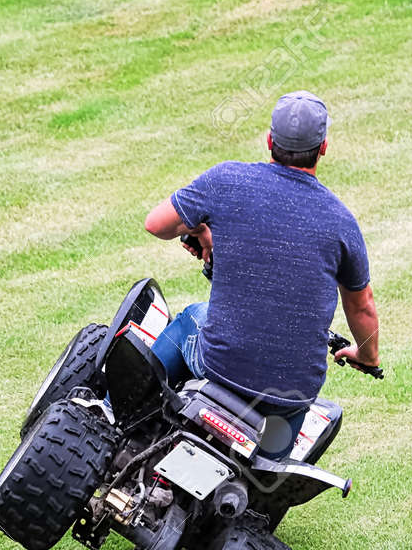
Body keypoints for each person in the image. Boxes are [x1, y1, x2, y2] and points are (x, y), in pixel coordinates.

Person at [142, 90, 380, 455]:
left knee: (193, 316)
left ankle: (114, 411)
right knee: (269, 466)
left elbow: (156, 224)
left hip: (220, 367)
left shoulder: (227, 180)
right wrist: (367, 357)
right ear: (324, 148)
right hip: (290, 397)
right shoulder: (340, 221)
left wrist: (201, 230)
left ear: (269, 141)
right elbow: (361, 307)